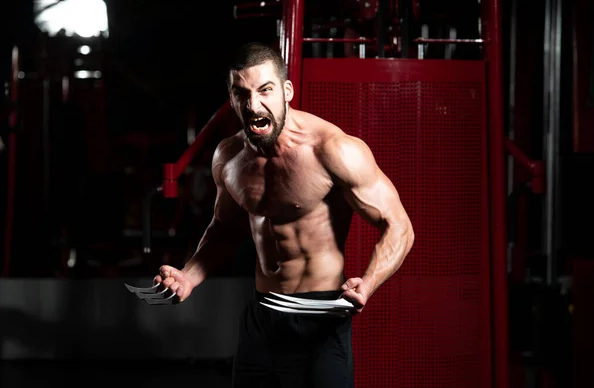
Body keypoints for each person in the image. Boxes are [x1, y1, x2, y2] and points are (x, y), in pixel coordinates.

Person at [154, 42, 415, 387]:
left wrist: (368, 283)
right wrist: (188, 277)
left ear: (287, 91)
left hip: (321, 318)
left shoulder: (332, 150)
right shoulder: (229, 158)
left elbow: (399, 227)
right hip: (263, 317)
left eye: (265, 91)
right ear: (231, 99)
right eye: (241, 94)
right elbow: (223, 228)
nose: (253, 105)